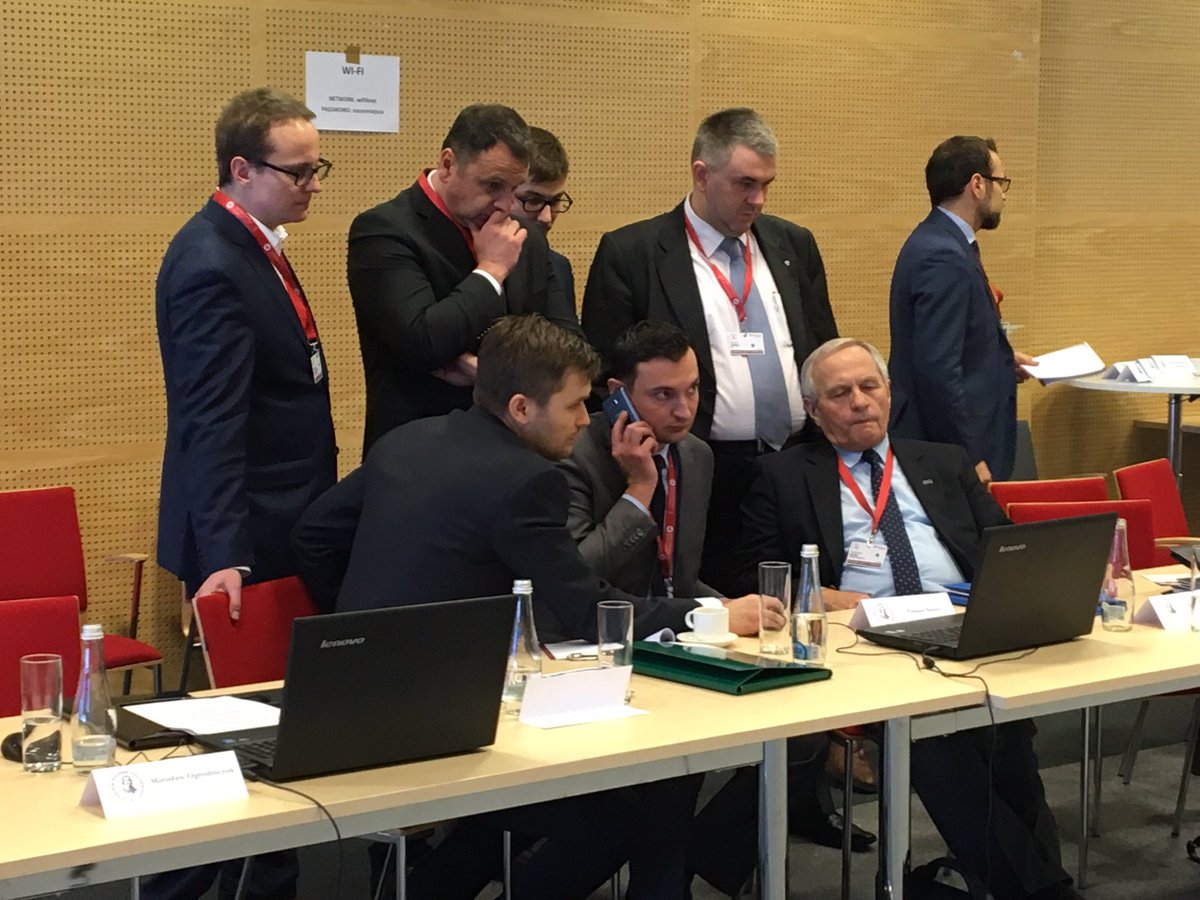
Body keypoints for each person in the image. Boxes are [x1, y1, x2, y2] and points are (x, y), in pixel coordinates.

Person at [292, 314, 776, 900]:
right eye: (574, 406)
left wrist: (360, 626)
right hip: (432, 719)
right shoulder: (528, 479)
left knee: (533, 809)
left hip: (338, 700)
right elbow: (589, 611)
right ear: (521, 408)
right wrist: (709, 615)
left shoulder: (406, 440)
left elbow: (313, 538)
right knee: (625, 818)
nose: (585, 419)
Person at [738, 337, 1082, 900]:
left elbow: (1002, 544)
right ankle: (1044, 892)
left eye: (869, 386)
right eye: (840, 393)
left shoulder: (942, 461)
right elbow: (754, 574)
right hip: (866, 643)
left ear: (889, 392)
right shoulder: (783, 474)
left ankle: (1026, 885)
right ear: (815, 410)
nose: (859, 401)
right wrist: (819, 595)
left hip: (961, 624)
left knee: (1008, 734)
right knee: (936, 740)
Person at [558, 321, 872, 895]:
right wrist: (639, 490)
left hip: (673, 638)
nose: (684, 410)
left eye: (693, 390)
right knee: (668, 778)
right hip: (592, 647)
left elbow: (678, 575)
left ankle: (699, 857)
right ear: (618, 394)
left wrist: (726, 606)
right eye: (663, 395)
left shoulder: (696, 456)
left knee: (801, 735)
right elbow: (578, 581)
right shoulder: (574, 453)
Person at [150, 86, 336, 900]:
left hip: (280, 520)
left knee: (271, 731)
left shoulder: (253, 243)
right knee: (242, 740)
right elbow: (211, 423)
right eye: (299, 171)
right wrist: (224, 554)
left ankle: (268, 882)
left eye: (317, 167)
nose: (313, 184)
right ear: (241, 168)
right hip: (248, 540)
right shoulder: (210, 263)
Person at [581, 107, 839, 594]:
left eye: (766, 185)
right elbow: (602, 375)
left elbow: (822, 349)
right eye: (745, 184)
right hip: (693, 465)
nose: (758, 199)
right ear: (701, 174)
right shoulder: (634, 253)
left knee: (789, 600)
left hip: (790, 465)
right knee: (709, 605)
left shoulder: (793, 244)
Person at [348, 104, 580, 453]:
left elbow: (569, 348)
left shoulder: (526, 237)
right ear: (447, 164)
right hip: (421, 451)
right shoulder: (384, 231)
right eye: (493, 185)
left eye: (514, 189)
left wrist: (490, 374)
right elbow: (423, 341)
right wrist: (492, 270)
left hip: (516, 450)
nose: (505, 205)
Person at [888, 135, 1033, 486]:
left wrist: (999, 360)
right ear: (977, 185)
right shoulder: (943, 255)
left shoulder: (943, 243)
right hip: (946, 453)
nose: (1004, 195)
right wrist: (967, 455)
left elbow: (948, 346)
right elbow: (937, 368)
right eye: (1001, 182)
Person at [510, 125, 577, 303]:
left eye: (555, 202)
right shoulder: (468, 267)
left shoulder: (559, 267)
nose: (546, 217)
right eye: (533, 200)